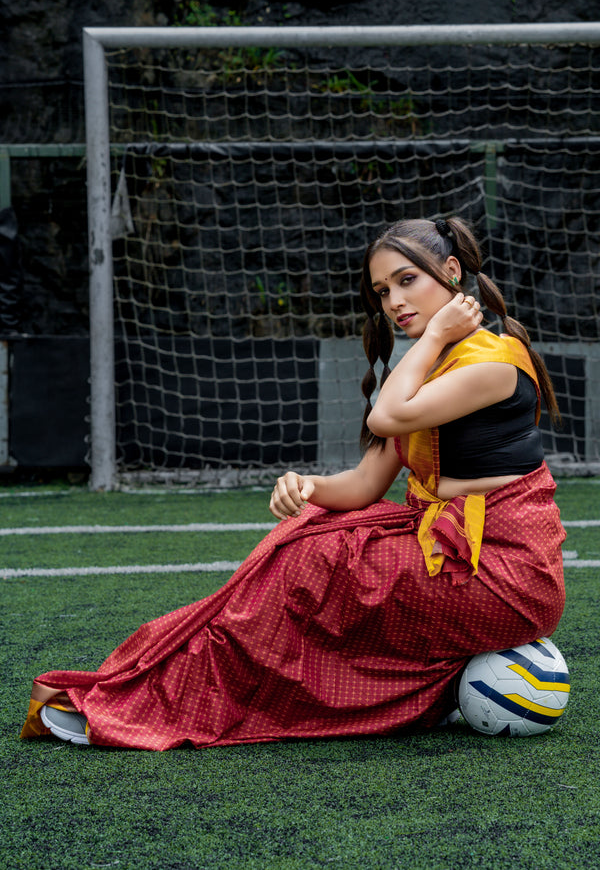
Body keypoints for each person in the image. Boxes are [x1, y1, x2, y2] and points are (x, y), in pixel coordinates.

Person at [21, 216, 566, 751]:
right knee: (305, 534)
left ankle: (186, 704)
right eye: (381, 291)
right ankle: (163, 693)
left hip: (504, 574)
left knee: (313, 565)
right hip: (451, 556)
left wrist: (438, 335)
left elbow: (386, 418)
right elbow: (363, 485)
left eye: (407, 280)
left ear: (451, 272)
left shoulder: (494, 363)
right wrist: (305, 486)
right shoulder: (431, 359)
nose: (394, 302)